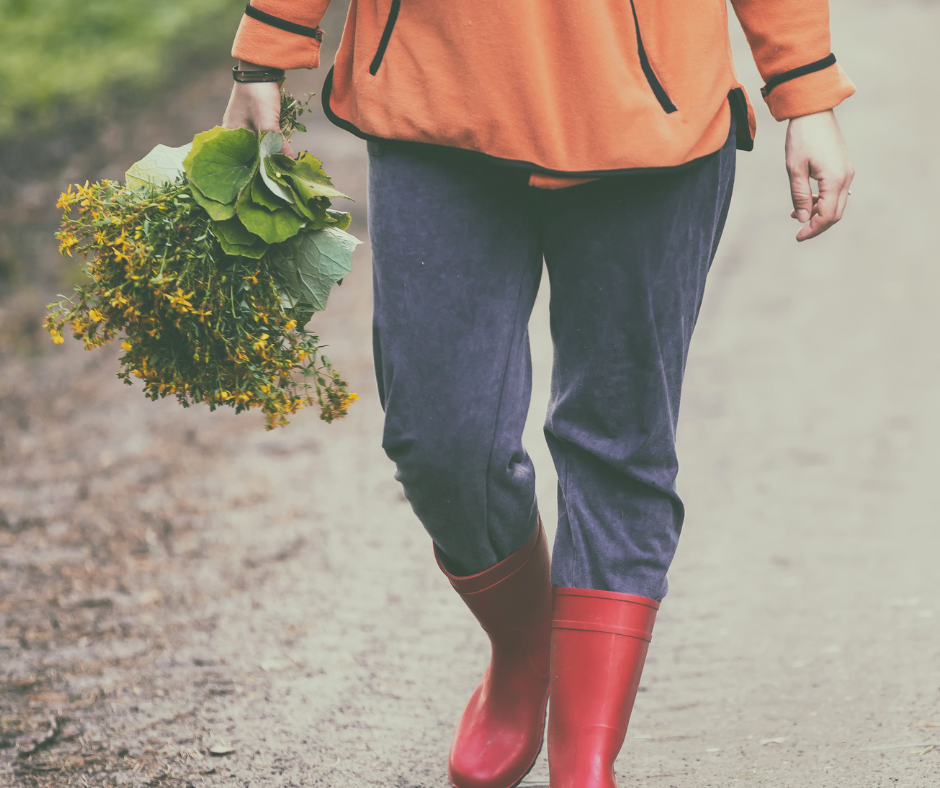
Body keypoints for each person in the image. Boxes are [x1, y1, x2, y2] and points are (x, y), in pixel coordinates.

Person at [223, 2, 855, 786]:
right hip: (434, 101)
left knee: (620, 442)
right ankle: (527, 651)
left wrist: (806, 90)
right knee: (439, 440)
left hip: (653, 110)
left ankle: (585, 761)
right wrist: (266, 50)